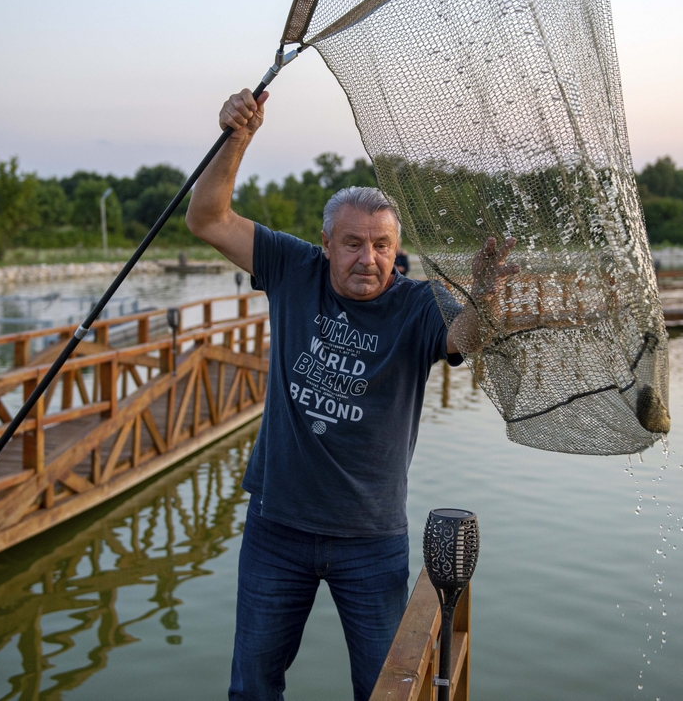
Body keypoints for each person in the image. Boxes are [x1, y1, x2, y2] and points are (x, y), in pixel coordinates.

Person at [186, 89, 516, 701]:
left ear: (396, 248)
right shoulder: (293, 268)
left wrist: (485, 296)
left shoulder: (418, 303)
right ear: (327, 241)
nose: (369, 259)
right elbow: (206, 218)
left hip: (370, 538)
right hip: (275, 526)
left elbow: (463, 336)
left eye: (382, 245)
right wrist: (237, 137)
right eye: (353, 243)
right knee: (253, 685)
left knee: (386, 689)